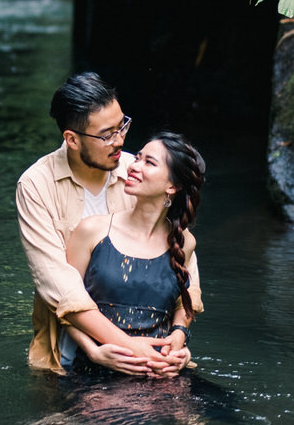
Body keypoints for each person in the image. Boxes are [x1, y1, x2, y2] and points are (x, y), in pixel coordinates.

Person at [15, 72, 202, 375]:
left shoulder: (135, 170)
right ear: (72, 139)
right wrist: (115, 346)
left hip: (152, 354)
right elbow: (60, 288)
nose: (120, 140)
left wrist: (179, 337)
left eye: (122, 126)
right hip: (69, 355)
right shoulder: (36, 185)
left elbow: (184, 266)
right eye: (107, 135)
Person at [64, 130, 205, 375]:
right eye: (137, 158)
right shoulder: (91, 231)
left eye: (148, 162)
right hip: (99, 371)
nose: (133, 166)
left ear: (172, 186)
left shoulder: (184, 242)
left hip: (162, 372)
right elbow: (66, 306)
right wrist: (93, 352)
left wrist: (180, 337)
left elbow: (185, 300)